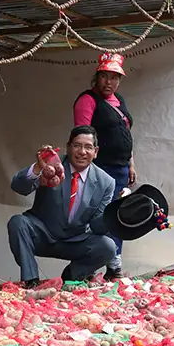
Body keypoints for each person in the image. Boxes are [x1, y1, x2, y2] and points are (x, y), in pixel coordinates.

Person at [7, 126, 116, 288]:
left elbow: (97, 226)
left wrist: (114, 213)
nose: (82, 152)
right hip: (41, 234)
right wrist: (37, 169)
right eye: (77, 146)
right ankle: (31, 281)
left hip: (74, 241)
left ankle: (70, 278)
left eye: (88, 147)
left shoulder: (106, 182)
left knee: (108, 246)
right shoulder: (52, 165)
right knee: (18, 222)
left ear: (96, 152)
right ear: (68, 147)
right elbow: (18, 187)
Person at [72, 53, 136, 279]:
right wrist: (87, 170)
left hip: (121, 168)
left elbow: (125, 133)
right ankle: (88, 267)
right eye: (105, 76)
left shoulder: (120, 100)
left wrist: (131, 163)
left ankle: (113, 266)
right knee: (99, 218)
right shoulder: (87, 100)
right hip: (100, 168)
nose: (109, 82)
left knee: (118, 216)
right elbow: (81, 138)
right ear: (97, 77)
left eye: (115, 77)